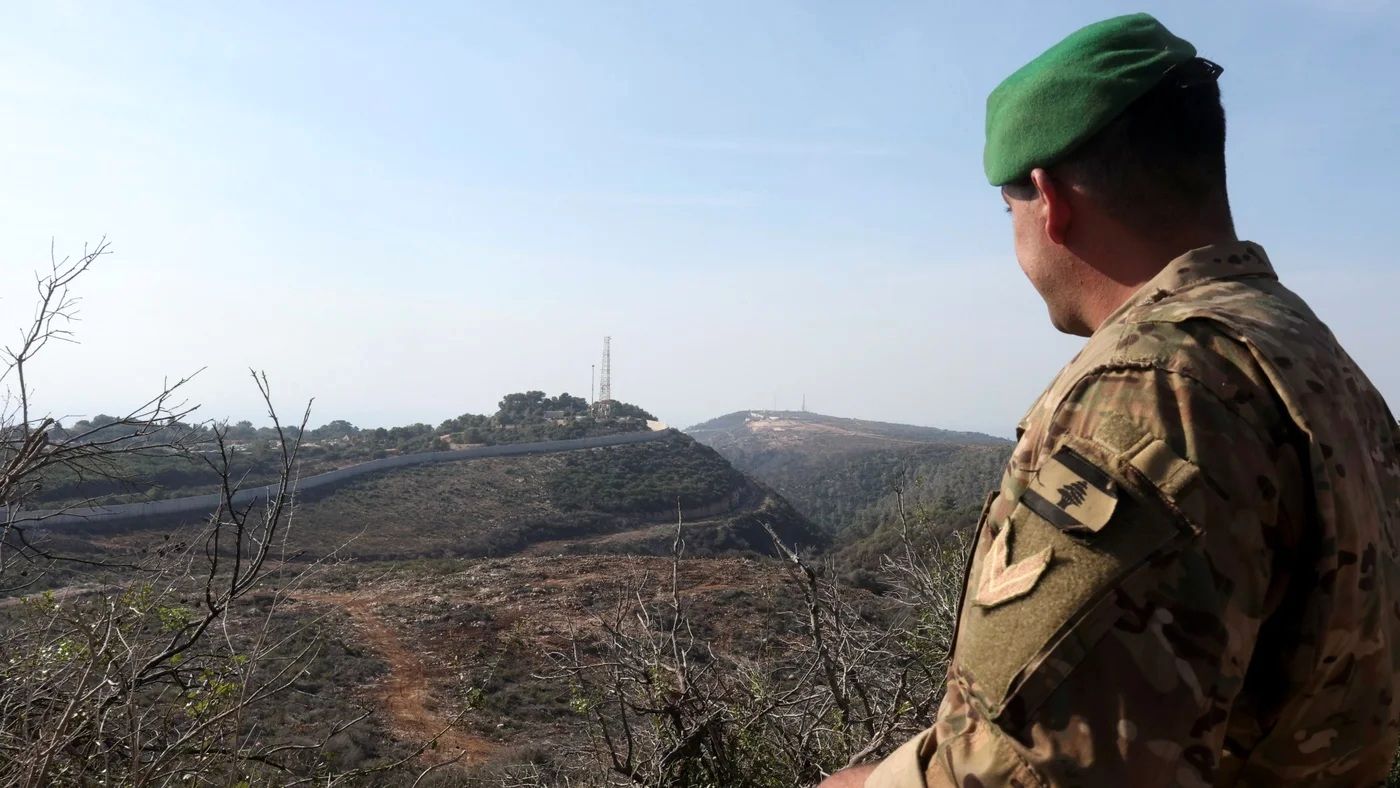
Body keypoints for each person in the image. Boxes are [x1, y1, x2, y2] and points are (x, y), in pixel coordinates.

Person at [823, 12, 1400, 787]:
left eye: (1010, 214)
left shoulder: (1153, 389)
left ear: (1049, 198)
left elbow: (1034, 771)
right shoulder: (1313, 355)